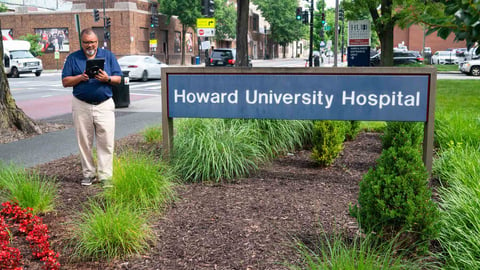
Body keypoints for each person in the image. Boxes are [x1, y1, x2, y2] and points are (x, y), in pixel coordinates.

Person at [61, 28, 122, 188]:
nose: (90, 45)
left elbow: (118, 78)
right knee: (84, 141)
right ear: (82, 43)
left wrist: (107, 78)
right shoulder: (73, 58)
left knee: (106, 141)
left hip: (104, 104)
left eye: (93, 42)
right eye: (87, 42)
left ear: (97, 42)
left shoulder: (108, 56)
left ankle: (105, 176)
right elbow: (65, 81)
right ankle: (88, 174)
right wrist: (80, 77)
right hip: (81, 104)